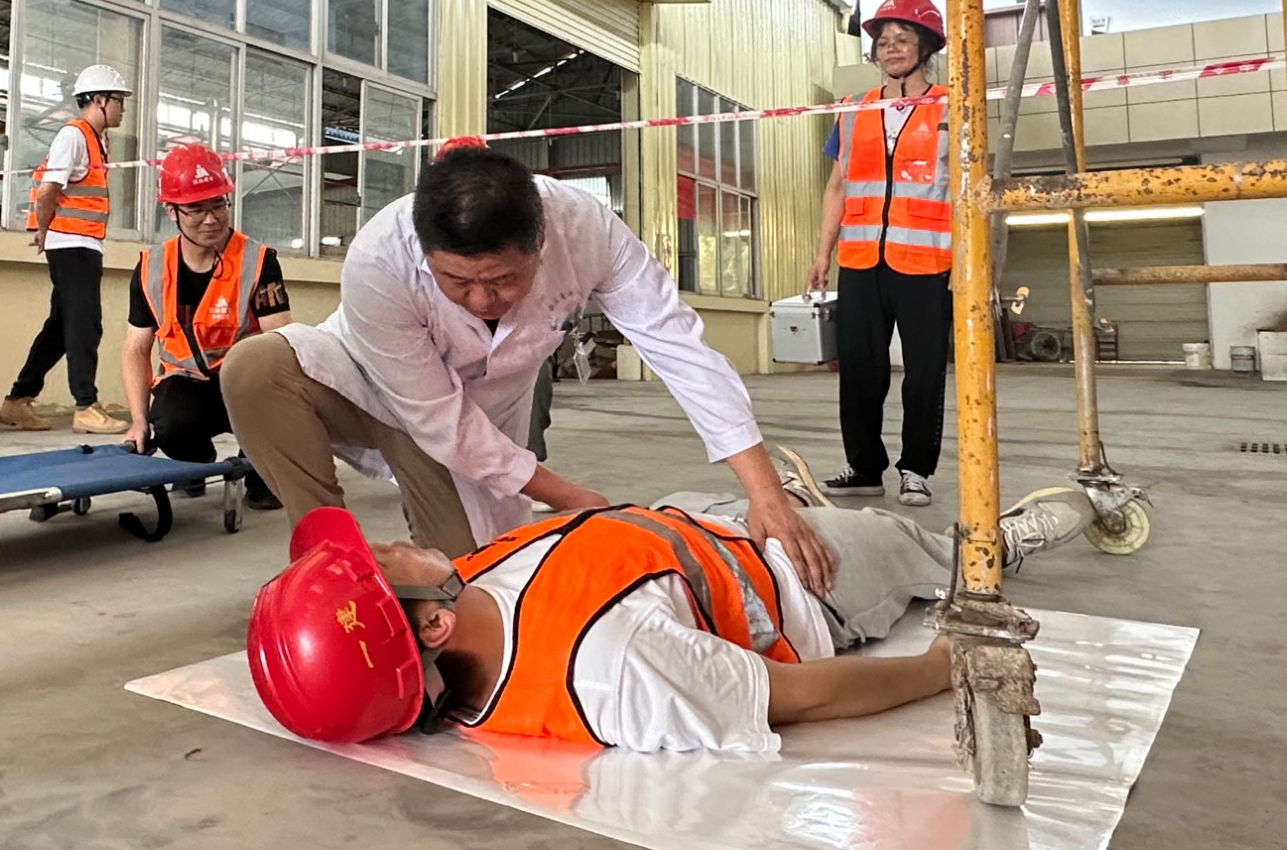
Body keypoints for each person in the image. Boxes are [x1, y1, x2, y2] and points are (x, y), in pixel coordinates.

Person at [221, 145, 837, 596]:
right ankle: (328, 563)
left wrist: (764, 491)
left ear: (542, 241)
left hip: (474, 421)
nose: (481, 300)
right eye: (456, 281)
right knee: (255, 366)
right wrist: (572, 498)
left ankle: (786, 496)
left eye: (502, 280)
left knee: (475, 586)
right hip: (364, 384)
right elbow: (435, 417)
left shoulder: (587, 230)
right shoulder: (379, 259)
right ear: (424, 250)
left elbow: (678, 345)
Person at [245, 491, 1086, 751]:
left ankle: (794, 497)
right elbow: (802, 696)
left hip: (697, 522)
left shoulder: (463, 594)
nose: (393, 540)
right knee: (903, 540)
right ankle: (998, 543)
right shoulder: (613, 668)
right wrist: (942, 666)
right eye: (381, 559)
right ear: (430, 630)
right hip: (800, 578)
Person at [808, 0, 953, 508]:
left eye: (902, 39)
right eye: (883, 41)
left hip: (928, 261)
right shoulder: (853, 109)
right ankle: (865, 467)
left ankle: (916, 469)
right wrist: (823, 253)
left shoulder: (952, 108)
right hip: (861, 260)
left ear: (925, 46)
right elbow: (837, 187)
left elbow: (968, 189)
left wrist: (969, 261)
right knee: (860, 371)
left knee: (923, 373)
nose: (890, 48)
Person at [120, 141, 289, 510]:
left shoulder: (258, 261)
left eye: (218, 205)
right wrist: (138, 421)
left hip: (245, 384)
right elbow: (136, 349)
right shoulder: (151, 269)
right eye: (196, 208)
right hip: (187, 384)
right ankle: (194, 462)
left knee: (280, 397)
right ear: (171, 210)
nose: (211, 219)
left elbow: (282, 341)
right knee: (170, 422)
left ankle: (261, 471)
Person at [0, 64, 132, 435]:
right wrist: (44, 230)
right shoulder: (73, 136)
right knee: (85, 325)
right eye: (118, 101)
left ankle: (17, 400)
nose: (122, 109)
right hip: (72, 244)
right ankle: (86, 405)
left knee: (60, 328)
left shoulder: (96, 140)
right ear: (99, 100)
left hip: (81, 242)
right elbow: (48, 190)